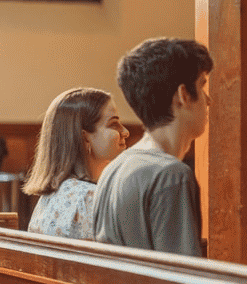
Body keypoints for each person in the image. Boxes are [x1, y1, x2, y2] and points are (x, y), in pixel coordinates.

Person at [93, 37, 213, 256]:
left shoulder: (113, 168)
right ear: (183, 95)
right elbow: (179, 274)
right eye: (202, 85)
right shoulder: (171, 175)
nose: (208, 100)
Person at [23, 87, 129, 240]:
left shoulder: (49, 197)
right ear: (84, 137)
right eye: (113, 124)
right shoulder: (89, 198)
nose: (125, 132)